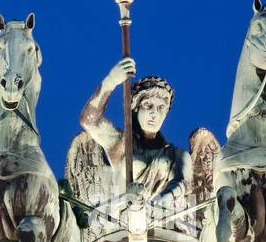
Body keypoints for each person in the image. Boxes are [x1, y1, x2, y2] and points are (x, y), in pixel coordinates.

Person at [79, 59, 190, 203]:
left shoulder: (177, 155)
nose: (154, 113)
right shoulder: (120, 143)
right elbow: (89, 120)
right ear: (135, 108)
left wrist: (158, 203)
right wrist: (111, 80)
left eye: (161, 107)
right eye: (148, 105)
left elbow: (183, 183)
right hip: (122, 220)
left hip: (162, 219)